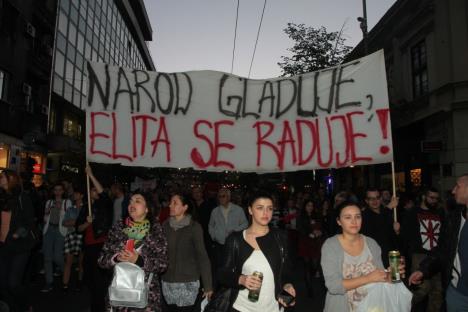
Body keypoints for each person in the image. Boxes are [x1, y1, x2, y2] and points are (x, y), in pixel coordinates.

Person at [217, 191, 296, 312]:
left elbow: (286, 270)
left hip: (272, 307)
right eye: (260, 208)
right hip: (242, 307)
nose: (265, 213)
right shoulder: (236, 239)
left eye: (269, 208)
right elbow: (222, 274)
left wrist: (287, 285)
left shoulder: (280, 237)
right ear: (250, 210)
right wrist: (241, 279)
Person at [321, 201, 405, 312]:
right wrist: (368, 278)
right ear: (339, 221)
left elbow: (380, 279)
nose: (354, 221)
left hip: (371, 307)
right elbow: (333, 286)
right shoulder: (331, 245)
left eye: (358, 217)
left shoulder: (371, 243)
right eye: (347, 217)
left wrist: (392, 275)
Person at [98, 192, 168, 312]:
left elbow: (163, 264)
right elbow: (101, 260)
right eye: (130, 201)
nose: (132, 204)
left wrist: (138, 260)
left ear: (146, 209)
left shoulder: (156, 231)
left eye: (137, 201)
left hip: (146, 298)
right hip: (119, 297)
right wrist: (115, 258)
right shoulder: (118, 228)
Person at [409, 174, 468, 311]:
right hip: (457, 294)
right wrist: (423, 269)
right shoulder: (455, 219)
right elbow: (443, 250)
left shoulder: (443, 213)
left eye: (458, 186)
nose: (453, 190)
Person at [161, 192, 213, 311]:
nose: (170, 205)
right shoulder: (165, 225)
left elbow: (202, 256)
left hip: (188, 282)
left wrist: (208, 285)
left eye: (175, 203)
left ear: (185, 207)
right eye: (170, 203)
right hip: (167, 281)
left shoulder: (194, 227)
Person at [76, 165, 113, 312]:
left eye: (95, 189)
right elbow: (78, 228)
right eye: (92, 189)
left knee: (99, 282)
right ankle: (97, 304)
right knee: (89, 281)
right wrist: (87, 223)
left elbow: (103, 193)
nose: (95, 191)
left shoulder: (104, 204)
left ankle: (99, 307)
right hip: (88, 247)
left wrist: (90, 175)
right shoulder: (86, 207)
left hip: (100, 246)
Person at [401, 187, 443, 311]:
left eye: (436, 198)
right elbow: (405, 236)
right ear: (424, 197)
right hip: (419, 255)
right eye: (431, 197)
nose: (434, 201)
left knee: (437, 292)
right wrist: (403, 253)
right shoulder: (412, 213)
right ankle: (401, 306)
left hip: (437, 256)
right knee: (421, 289)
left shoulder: (440, 213)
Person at [0, 170, 35, 312]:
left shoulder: (22, 198)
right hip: (3, 245)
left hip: (20, 246)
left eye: (2, 177)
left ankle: (26, 306)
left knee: (13, 284)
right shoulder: (1, 197)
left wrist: (17, 234)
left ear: (11, 179)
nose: (0, 179)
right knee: (2, 284)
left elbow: (29, 222)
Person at [41, 182, 73, 292]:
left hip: (60, 231)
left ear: (63, 191)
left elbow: (70, 217)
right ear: (53, 191)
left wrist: (61, 210)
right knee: (47, 257)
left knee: (57, 256)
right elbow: (45, 219)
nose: (58, 192)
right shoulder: (49, 202)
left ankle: (66, 272)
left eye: (60, 189)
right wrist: (46, 213)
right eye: (56, 189)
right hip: (49, 229)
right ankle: (49, 282)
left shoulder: (67, 202)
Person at [208, 188, 248, 272]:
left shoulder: (238, 209)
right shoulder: (215, 211)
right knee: (220, 265)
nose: (221, 198)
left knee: (234, 265)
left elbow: (245, 224)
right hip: (220, 242)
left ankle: (232, 283)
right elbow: (210, 225)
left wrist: (234, 230)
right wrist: (214, 236)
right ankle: (222, 283)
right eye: (219, 196)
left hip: (234, 242)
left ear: (229, 197)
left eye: (223, 196)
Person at [361, 188, 400, 267]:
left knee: (395, 279)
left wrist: (397, 232)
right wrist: (389, 206)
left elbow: (393, 238)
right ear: (366, 201)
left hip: (391, 257)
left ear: (381, 199)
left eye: (377, 198)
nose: (375, 201)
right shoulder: (364, 216)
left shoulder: (387, 213)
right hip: (374, 259)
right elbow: (377, 228)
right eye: (371, 199)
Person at [297, 199, 324, 297]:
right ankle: (309, 288)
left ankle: (310, 278)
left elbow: (321, 227)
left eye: (312, 205)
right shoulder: (301, 216)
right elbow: (299, 228)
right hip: (305, 242)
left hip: (315, 243)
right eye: (308, 205)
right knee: (307, 265)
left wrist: (320, 232)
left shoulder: (316, 215)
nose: (310, 207)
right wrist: (309, 233)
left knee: (315, 264)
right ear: (305, 206)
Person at [62, 188, 85, 290]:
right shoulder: (71, 209)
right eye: (74, 193)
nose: (74, 195)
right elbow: (64, 223)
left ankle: (79, 282)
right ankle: (65, 284)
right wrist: (77, 222)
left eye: (77, 193)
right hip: (71, 235)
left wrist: (73, 222)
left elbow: (88, 224)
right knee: (68, 261)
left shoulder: (86, 209)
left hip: (82, 236)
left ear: (82, 195)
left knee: (81, 262)